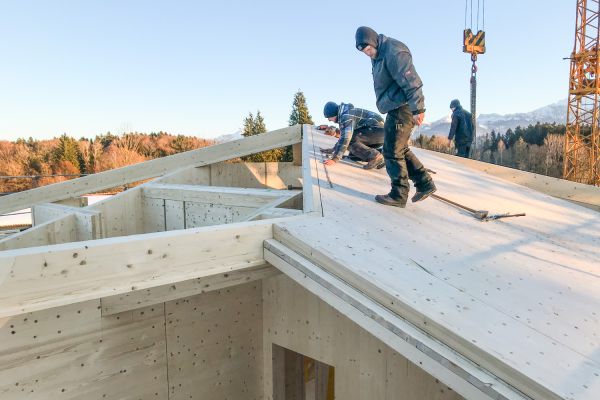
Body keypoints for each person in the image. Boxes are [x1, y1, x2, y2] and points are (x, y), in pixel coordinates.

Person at [355, 26, 436, 207]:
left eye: (368, 48)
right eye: (364, 51)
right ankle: (425, 183)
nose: (367, 53)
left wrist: (418, 109)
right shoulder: (378, 55)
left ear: (374, 41)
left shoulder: (393, 51)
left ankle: (398, 194)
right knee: (400, 149)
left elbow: (411, 79)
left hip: (403, 107)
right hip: (395, 106)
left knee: (391, 151)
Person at [321, 101, 385, 170]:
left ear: (333, 114)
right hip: (379, 136)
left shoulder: (346, 116)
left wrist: (334, 159)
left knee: (349, 141)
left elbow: (346, 138)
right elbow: (344, 137)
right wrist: (333, 150)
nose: (329, 120)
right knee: (353, 155)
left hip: (377, 131)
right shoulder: (346, 113)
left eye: (329, 118)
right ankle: (384, 155)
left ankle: (376, 156)